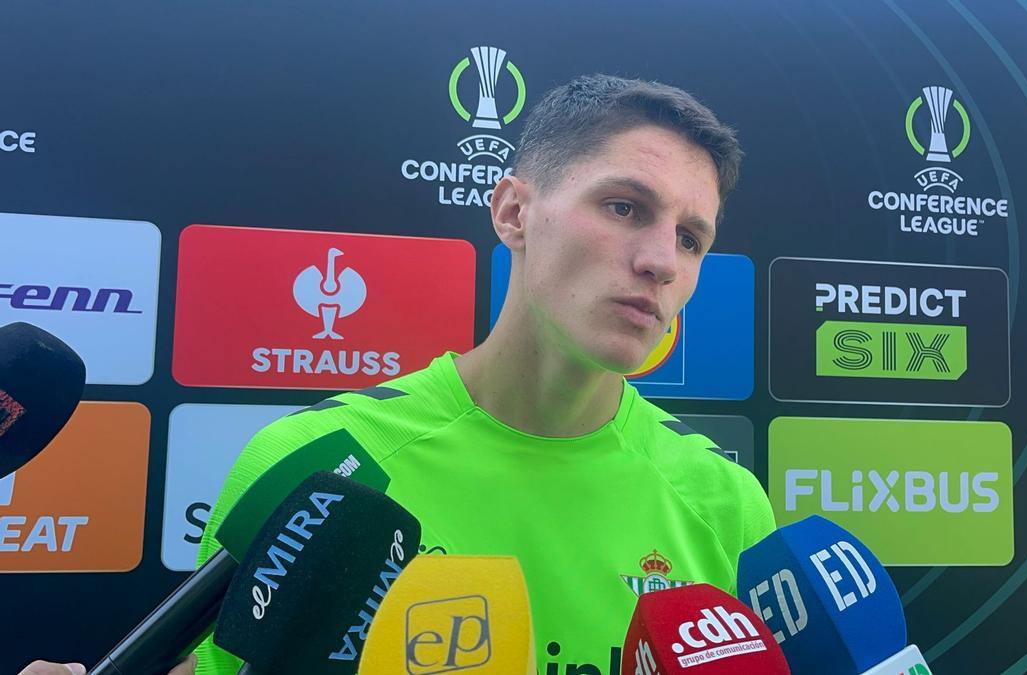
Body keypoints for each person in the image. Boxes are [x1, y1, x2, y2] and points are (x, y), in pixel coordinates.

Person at [21, 73, 773, 674]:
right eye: (623, 206)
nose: (661, 261)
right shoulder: (319, 464)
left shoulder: (726, 500)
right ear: (513, 212)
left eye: (691, 237)